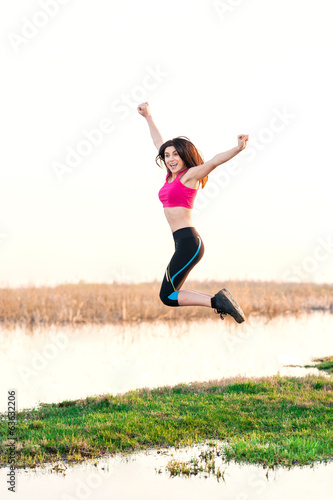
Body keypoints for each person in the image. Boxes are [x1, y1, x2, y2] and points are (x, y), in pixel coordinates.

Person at [137, 101, 248, 323]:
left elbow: (215, 161)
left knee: (167, 295)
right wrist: (148, 117)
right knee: (169, 294)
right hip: (182, 242)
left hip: (189, 242)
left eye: (175, 154)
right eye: (167, 155)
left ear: (185, 156)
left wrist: (237, 148)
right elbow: (158, 141)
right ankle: (219, 300)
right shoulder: (170, 177)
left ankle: (218, 302)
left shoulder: (190, 176)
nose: (170, 158)